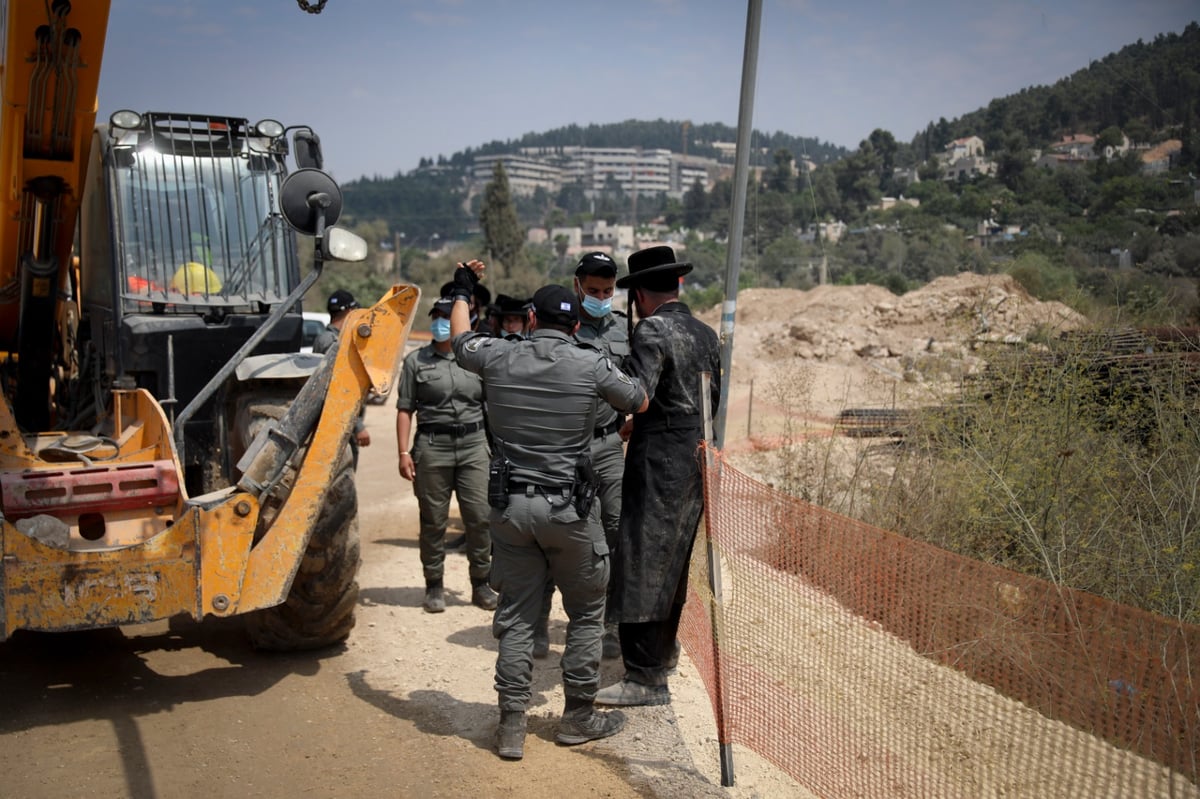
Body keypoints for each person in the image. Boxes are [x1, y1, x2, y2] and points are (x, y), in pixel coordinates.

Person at [448, 260, 648, 761]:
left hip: (511, 510)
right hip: (568, 511)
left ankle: (511, 727)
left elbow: (457, 337)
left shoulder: (497, 355)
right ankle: (578, 719)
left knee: (515, 618)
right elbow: (639, 400)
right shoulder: (589, 361)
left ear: (531, 320)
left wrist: (463, 288)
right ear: (577, 324)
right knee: (584, 613)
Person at [595, 245, 721, 708]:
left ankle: (644, 677)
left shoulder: (651, 329)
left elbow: (638, 395)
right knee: (674, 563)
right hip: (694, 459)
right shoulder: (706, 334)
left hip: (657, 462)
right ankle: (663, 658)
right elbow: (710, 402)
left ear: (640, 295)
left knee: (640, 561)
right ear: (678, 285)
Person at [530, 252, 629, 660]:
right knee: (553, 530)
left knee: (615, 528)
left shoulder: (626, 327)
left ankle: (608, 624)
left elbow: (639, 379)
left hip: (608, 446)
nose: (600, 298)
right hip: (564, 448)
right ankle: (537, 621)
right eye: (592, 291)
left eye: (607, 291)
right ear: (577, 286)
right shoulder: (561, 324)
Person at [395, 296, 498, 613]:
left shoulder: (477, 360)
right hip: (432, 447)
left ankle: (481, 584)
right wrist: (402, 452)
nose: (441, 322)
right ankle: (434, 586)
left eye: (446, 316)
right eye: (436, 316)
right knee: (434, 521)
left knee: (480, 518)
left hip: (473, 446)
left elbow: (494, 405)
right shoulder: (416, 362)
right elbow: (404, 410)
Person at [313, 289, 371, 464]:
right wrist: (358, 426)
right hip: (338, 426)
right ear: (349, 311)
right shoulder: (333, 343)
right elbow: (338, 390)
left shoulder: (328, 338)